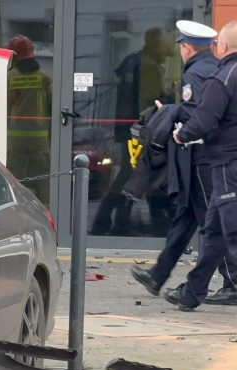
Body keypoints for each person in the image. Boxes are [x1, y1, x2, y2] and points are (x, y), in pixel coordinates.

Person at [132, 21, 237, 304]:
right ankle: (184, 289)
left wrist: (177, 130)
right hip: (216, 160)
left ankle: (230, 284)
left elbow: (200, 116)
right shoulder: (220, 72)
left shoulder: (217, 76)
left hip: (217, 161)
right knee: (206, 224)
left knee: (225, 230)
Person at [163, 20, 237, 311]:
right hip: (227, 165)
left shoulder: (224, 77)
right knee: (215, 232)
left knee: (230, 233)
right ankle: (191, 293)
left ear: (223, 47)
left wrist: (181, 134)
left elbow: (205, 119)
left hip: (227, 165)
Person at [92, 27, 175, 236]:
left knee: (132, 175)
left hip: (130, 130)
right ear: (157, 45)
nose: (168, 48)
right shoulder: (149, 67)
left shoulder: (139, 61)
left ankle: (119, 221)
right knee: (131, 175)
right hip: (139, 132)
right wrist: (166, 101)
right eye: (165, 44)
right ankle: (107, 221)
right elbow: (149, 103)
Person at [5, 35, 53, 205]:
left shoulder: (8, 77)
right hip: (39, 139)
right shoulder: (44, 77)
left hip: (14, 139)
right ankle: (47, 212)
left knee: (13, 178)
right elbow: (53, 105)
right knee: (45, 178)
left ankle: (16, 209)